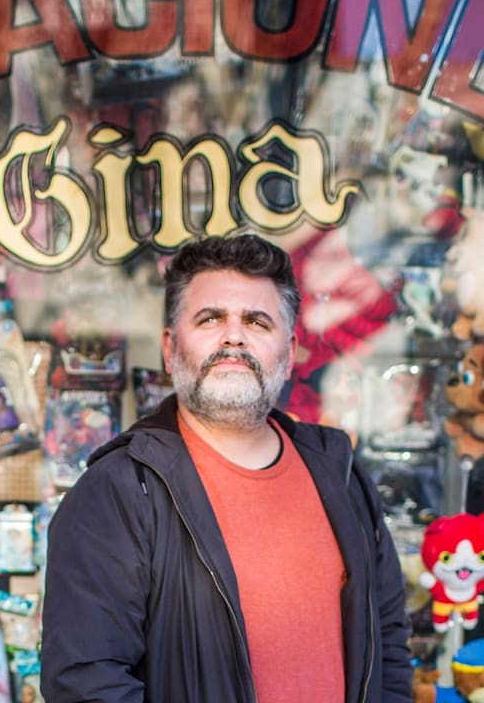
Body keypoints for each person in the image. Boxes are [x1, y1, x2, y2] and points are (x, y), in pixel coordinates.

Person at [41, 233, 412, 702]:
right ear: (171, 349)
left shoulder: (339, 474)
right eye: (210, 317)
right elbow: (84, 685)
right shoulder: (117, 491)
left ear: (290, 350)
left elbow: (390, 654)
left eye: (257, 321)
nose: (233, 335)